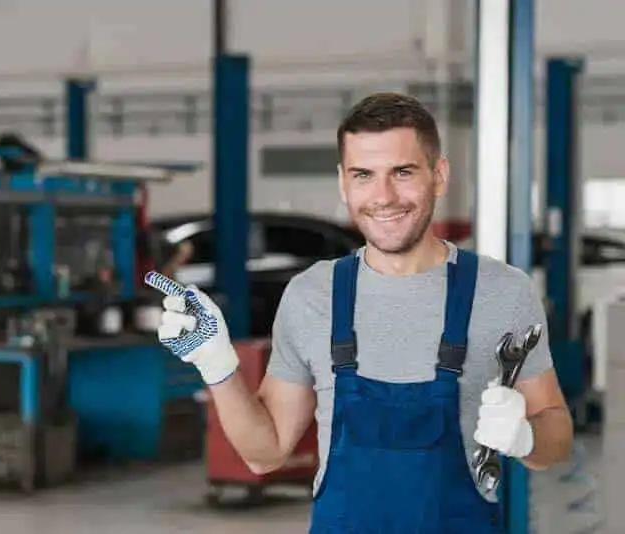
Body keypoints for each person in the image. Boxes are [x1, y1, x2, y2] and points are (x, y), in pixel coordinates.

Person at [145, 92, 573, 533]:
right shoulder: (312, 295)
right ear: (343, 182)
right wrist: (217, 364)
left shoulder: (502, 291)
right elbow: (266, 451)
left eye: (403, 173)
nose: (383, 196)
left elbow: (555, 433)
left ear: (439, 175)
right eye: (363, 174)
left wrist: (526, 438)